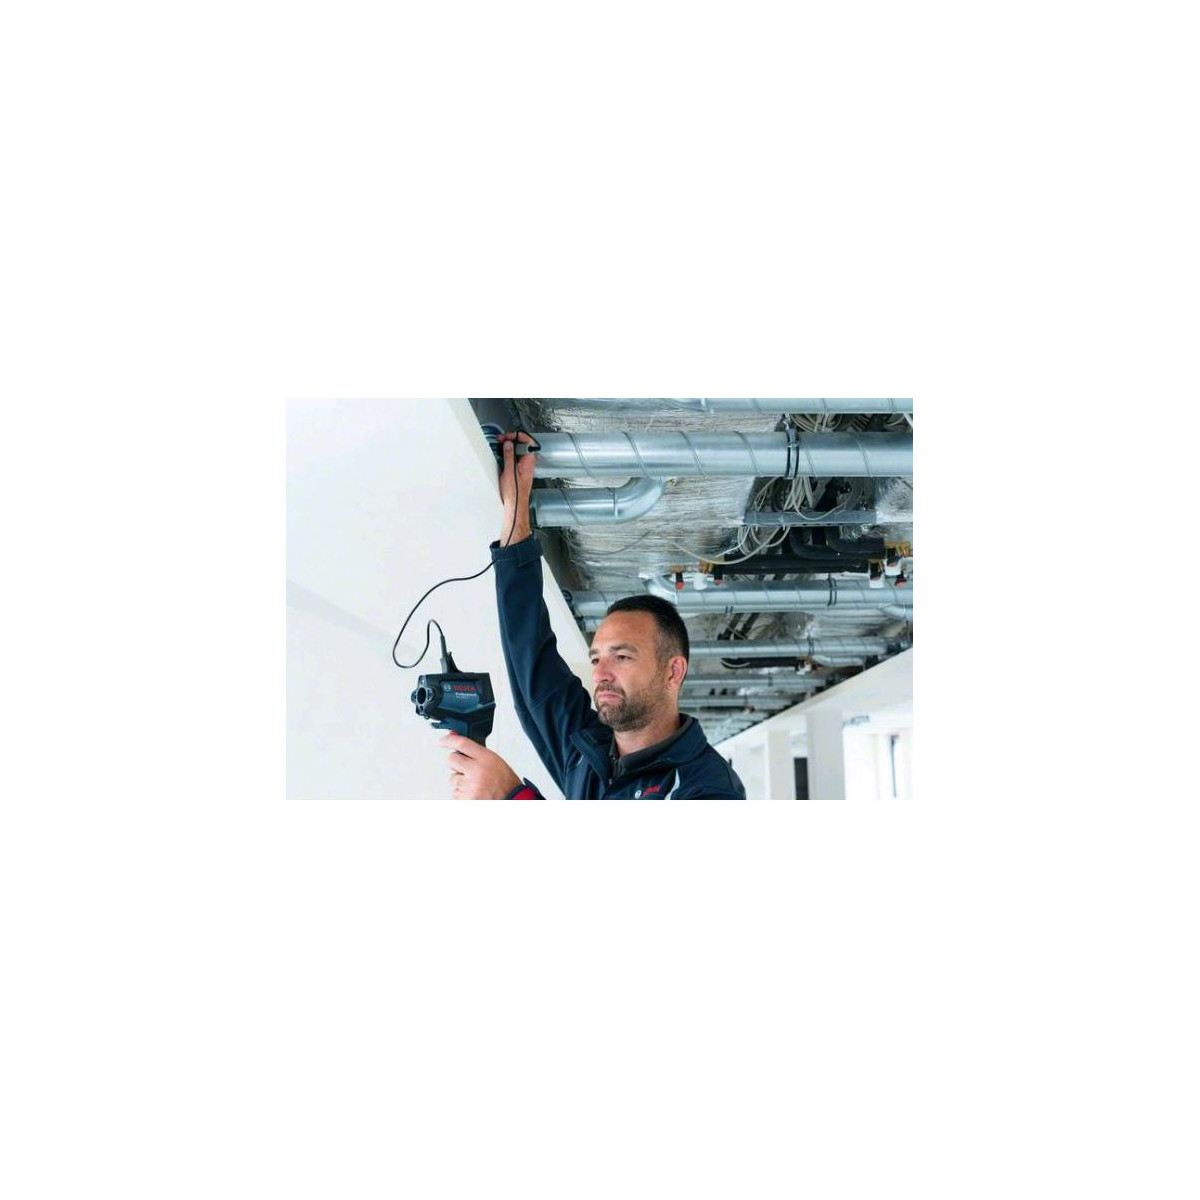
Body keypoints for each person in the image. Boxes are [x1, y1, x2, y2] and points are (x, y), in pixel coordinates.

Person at [441, 430, 747, 800]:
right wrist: (516, 518)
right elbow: (532, 664)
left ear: (673, 671)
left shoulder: (707, 788)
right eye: (596, 658)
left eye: (622, 656)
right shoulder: (588, 754)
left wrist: (511, 798)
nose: (600, 675)